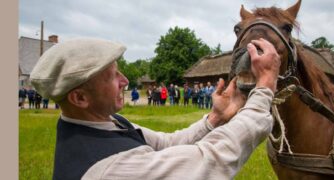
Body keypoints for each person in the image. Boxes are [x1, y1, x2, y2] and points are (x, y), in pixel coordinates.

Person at [30, 37, 280, 180]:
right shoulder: (111, 170)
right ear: (80, 98)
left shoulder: (101, 123)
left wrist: (215, 117)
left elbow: (167, 143)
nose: (126, 81)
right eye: (112, 76)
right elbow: (211, 159)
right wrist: (265, 86)